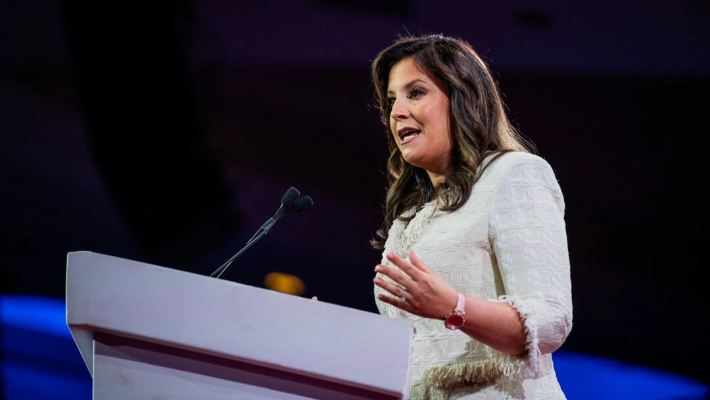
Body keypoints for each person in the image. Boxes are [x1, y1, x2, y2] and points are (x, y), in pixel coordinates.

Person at [370, 34, 572, 399]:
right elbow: (418, 354)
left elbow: (551, 320)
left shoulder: (513, 174)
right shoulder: (410, 215)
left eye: (415, 93)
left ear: (463, 98)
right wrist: (335, 335)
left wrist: (454, 306)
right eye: (391, 100)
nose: (396, 111)